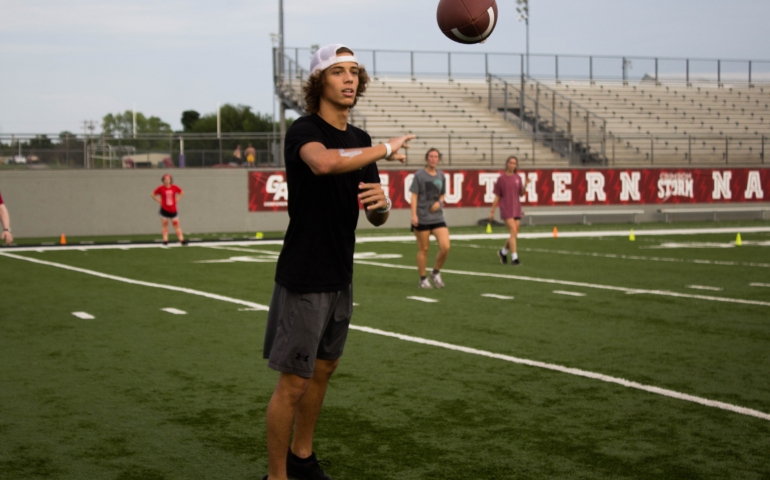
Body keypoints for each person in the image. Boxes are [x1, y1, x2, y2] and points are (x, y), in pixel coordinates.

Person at [262, 44, 414, 480]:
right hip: (305, 272)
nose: (349, 79)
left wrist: (383, 203)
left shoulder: (361, 141)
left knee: (324, 370)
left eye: (354, 72)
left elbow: (376, 216)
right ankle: (276, 477)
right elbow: (325, 164)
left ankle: (302, 458)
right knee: (293, 382)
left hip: (340, 272)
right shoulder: (303, 130)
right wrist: (387, 148)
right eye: (338, 72)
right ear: (319, 82)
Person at [410, 148, 450, 288]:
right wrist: (414, 215)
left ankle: (435, 273)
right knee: (424, 249)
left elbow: (442, 195)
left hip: (437, 217)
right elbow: (414, 196)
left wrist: (439, 203)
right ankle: (422, 279)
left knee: (445, 246)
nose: (433, 159)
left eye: (436, 156)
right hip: (422, 217)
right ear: (427, 158)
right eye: (431, 156)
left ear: (438, 159)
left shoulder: (441, 175)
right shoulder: (419, 176)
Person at [489, 156, 530, 265]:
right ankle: (514, 258)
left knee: (515, 233)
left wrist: (526, 185)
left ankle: (503, 252)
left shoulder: (518, 178)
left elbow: (521, 194)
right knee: (513, 231)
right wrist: (492, 211)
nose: (512, 165)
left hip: (516, 208)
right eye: (510, 163)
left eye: (514, 163)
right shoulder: (501, 179)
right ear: (507, 164)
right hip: (506, 208)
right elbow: (497, 196)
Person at [151, 174, 187, 245]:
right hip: (164, 209)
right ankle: (165, 240)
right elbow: (152, 194)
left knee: (176, 225)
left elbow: (182, 192)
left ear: (170, 180)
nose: (167, 181)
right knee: (165, 225)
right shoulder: (161, 188)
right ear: (163, 180)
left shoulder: (174, 187)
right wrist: (158, 200)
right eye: (165, 179)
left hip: (173, 209)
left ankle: (182, 240)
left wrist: (177, 199)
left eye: (168, 179)